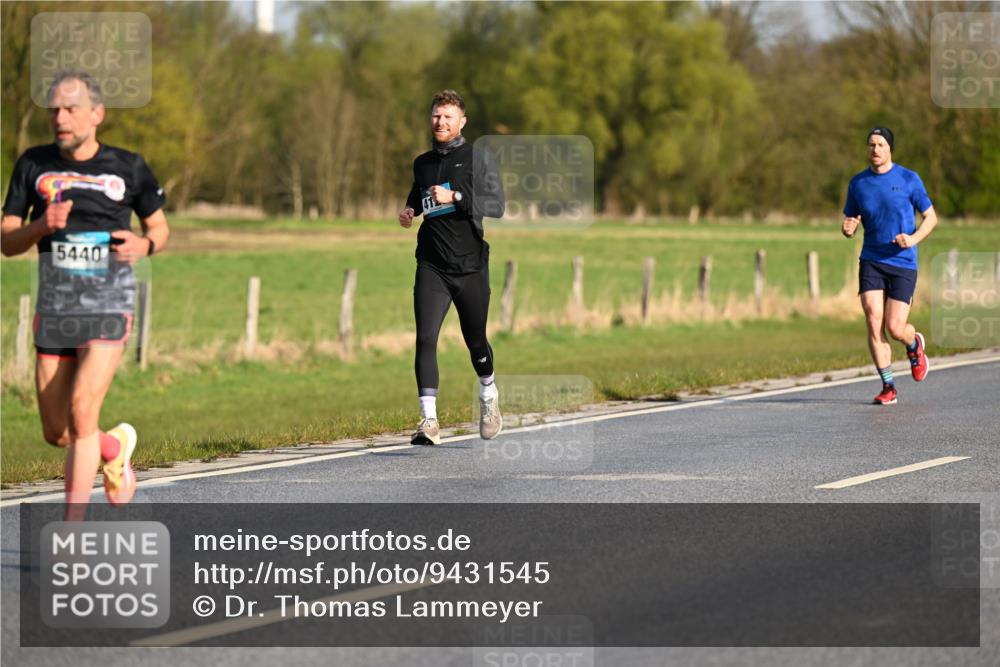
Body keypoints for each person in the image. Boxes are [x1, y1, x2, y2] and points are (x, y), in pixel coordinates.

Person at [1, 70, 169, 519]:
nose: (60, 117)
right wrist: (42, 226)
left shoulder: (128, 166)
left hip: (109, 303)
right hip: (55, 307)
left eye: (70, 108)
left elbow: (158, 227)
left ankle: (70, 532)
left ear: (97, 114)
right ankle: (114, 448)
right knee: (58, 432)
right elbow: (7, 240)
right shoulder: (32, 164)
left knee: (81, 413)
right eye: (54, 108)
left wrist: (144, 246)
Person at [398, 90, 505, 444]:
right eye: (435, 116)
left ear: (462, 122)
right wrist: (411, 210)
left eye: (447, 117)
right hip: (432, 264)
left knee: (475, 341)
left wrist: (456, 197)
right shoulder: (422, 162)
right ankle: (428, 421)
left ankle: (489, 394)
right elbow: (419, 192)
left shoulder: (478, 158)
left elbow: (497, 204)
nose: (440, 122)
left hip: (470, 265)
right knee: (426, 338)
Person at [842, 126, 936, 405]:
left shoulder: (909, 179)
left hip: (902, 262)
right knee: (873, 319)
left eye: (880, 144)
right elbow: (851, 220)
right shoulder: (858, 183)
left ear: (890, 148)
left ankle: (913, 343)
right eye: (871, 144)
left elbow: (931, 218)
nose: (875, 149)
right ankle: (888, 386)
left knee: (895, 327)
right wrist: (848, 228)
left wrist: (913, 238)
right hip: (871, 259)